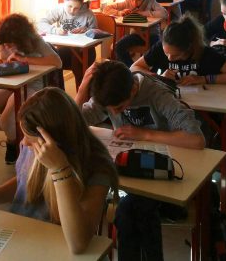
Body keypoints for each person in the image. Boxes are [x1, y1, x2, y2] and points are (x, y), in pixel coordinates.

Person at [0, 87, 119, 254]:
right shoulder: (35, 147)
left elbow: (78, 243)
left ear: (53, 140)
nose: (25, 142)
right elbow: (25, 181)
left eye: (29, 137)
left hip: (55, 248)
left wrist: (60, 170)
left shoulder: (98, 166)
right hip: (23, 237)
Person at [75, 60, 205, 260]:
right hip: (132, 174)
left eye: (119, 107)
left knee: (129, 212)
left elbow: (197, 140)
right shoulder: (109, 94)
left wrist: (145, 134)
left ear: (134, 88)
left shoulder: (157, 94)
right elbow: (74, 123)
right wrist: (84, 86)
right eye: (112, 110)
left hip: (166, 174)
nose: (115, 113)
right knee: (129, 209)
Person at [0, 13, 62, 164]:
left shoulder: (33, 39)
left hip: (31, 83)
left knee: (6, 120)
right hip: (8, 81)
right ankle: (18, 134)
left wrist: (24, 59)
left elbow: (57, 62)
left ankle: (13, 142)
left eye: (10, 44)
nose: (6, 47)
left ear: (21, 40)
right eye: (3, 44)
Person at [131, 14, 226, 85]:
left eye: (176, 55)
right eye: (166, 53)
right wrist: (158, 77)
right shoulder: (160, 47)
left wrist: (203, 79)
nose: (170, 58)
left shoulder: (205, 53)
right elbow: (134, 68)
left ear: (189, 48)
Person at [37, 0, 97, 89]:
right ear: (64, 2)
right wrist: (55, 30)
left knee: (76, 62)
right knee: (52, 61)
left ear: (81, 5)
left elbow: (96, 32)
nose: (72, 11)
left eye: (76, 8)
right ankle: (59, 94)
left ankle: (81, 94)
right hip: (66, 49)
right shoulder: (59, 10)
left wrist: (87, 30)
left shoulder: (88, 14)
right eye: (69, 6)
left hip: (86, 51)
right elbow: (41, 23)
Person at [103, 0, 168, 67]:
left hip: (152, 35)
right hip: (136, 35)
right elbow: (106, 9)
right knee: (118, 47)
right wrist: (120, 12)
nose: (135, 3)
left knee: (157, 51)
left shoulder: (151, 1)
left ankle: (151, 74)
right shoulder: (127, 2)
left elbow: (164, 13)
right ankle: (132, 69)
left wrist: (144, 13)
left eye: (138, 0)